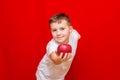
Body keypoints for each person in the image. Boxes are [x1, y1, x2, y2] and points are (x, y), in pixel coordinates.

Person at [36, 13, 81, 80]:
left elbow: (78, 35)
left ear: (70, 29)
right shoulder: (52, 45)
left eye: (62, 29)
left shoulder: (74, 35)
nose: (58, 33)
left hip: (59, 76)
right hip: (45, 76)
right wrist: (59, 59)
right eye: (54, 30)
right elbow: (54, 58)